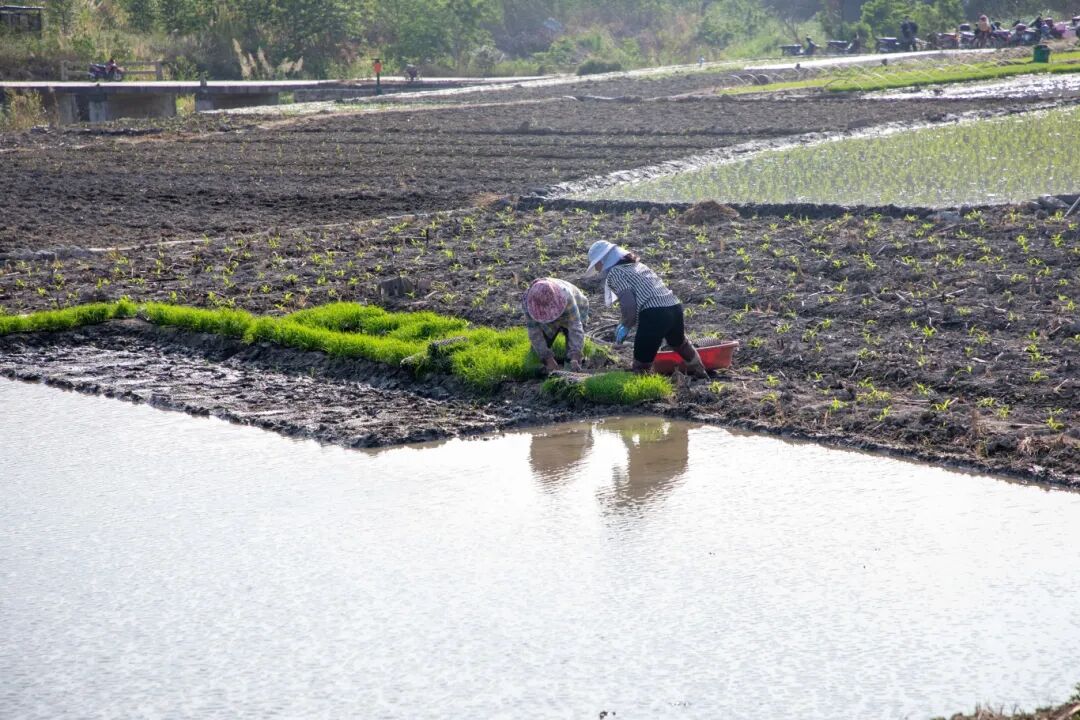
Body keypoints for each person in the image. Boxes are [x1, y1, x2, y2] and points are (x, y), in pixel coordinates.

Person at [585, 240, 707, 378]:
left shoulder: (615, 273)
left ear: (604, 259)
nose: (597, 268)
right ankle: (700, 372)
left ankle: (646, 388)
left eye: (597, 264)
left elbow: (629, 305)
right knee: (681, 344)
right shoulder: (638, 266)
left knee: (641, 364)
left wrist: (625, 325)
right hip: (674, 307)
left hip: (654, 314)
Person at [522, 277, 589, 373]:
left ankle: (571, 366)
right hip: (545, 317)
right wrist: (547, 358)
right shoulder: (528, 302)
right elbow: (534, 332)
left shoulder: (566, 296)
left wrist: (575, 355)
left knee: (571, 358)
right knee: (536, 356)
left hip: (576, 307)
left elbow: (575, 327)